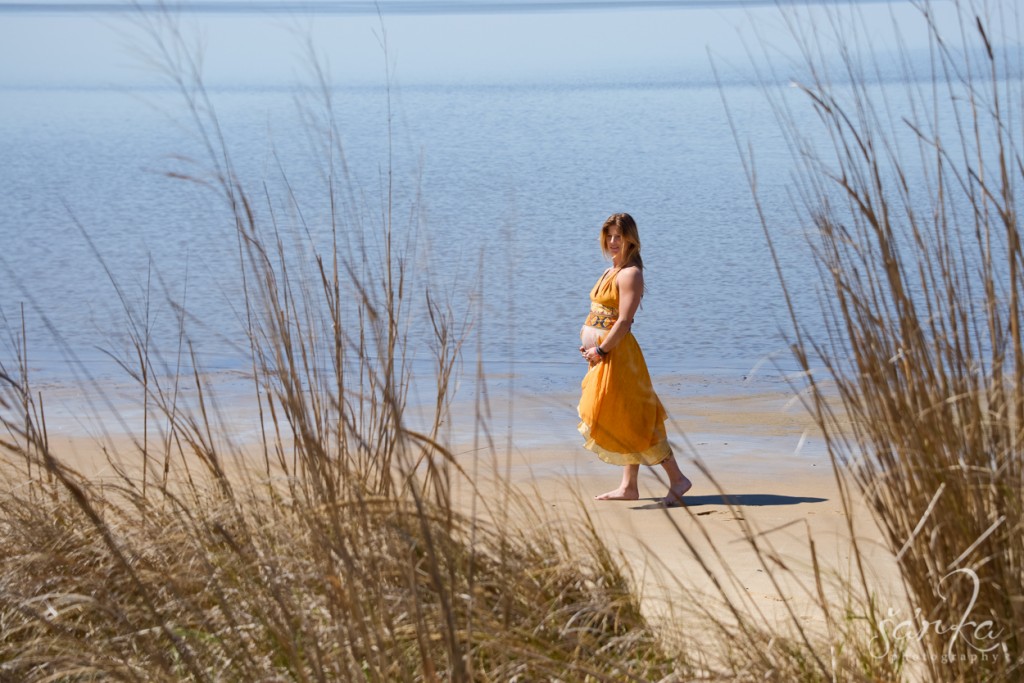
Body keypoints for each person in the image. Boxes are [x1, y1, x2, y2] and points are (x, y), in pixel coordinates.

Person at [578, 213, 692, 506]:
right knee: (624, 414)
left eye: (619, 236)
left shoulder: (630, 274)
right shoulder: (610, 271)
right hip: (603, 356)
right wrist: (591, 347)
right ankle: (629, 486)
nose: (614, 242)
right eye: (610, 236)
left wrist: (601, 350)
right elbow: (601, 316)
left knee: (635, 419)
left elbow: (624, 321)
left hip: (619, 356)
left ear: (632, 239)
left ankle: (678, 479)